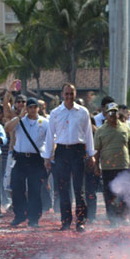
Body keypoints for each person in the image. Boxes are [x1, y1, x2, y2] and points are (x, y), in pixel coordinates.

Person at [42, 84, 95, 232]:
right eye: (66, 94)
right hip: (61, 152)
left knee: (79, 189)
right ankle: (65, 221)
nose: (69, 97)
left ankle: (81, 221)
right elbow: (50, 135)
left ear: (75, 94)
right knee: (63, 189)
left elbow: (88, 134)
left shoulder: (83, 112)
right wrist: (47, 157)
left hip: (77, 151)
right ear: (62, 95)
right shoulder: (55, 113)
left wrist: (91, 154)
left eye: (71, 94)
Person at [5, 97, 49, 227]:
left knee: (35, 189)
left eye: (34, 107)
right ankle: (20, 215)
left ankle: (34, 218)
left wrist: (48, 157)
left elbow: (51, 140)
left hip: (36, 158)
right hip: (21, 158)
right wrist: (19, 116)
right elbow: (7, 128)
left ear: (38, 108)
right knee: (17, 187)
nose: (32, 110)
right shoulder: (20, 121)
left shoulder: (44, 122)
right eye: (29, 107)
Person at [93, 102, 130, 226]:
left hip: (124, 166)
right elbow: (97, 150)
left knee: (126, 192)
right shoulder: (100, 131)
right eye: (110, 112)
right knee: (109, 194)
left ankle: (124, 216)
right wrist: (96, 165)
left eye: (115, 112)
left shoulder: (125, 127)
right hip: (107, 167)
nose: (113, 114)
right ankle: (113, 219)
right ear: (106, 115)